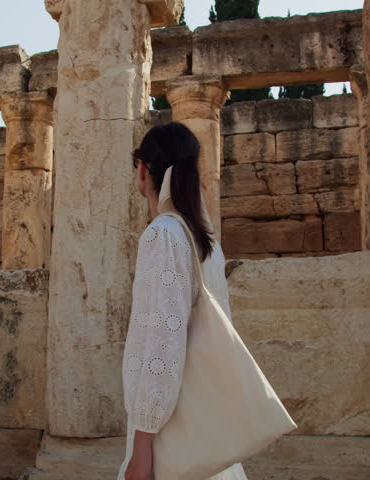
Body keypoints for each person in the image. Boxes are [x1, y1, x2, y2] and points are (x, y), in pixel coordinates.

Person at [118, 123, 248, 480]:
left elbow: (162, 344)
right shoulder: (205, 242)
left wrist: (142, 443)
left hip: (169, 429)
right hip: (205, 415)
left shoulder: (162, 235)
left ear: (144, 169)